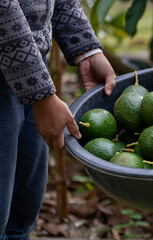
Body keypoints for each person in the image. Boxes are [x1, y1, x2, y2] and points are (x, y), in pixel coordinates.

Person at [0, 1, 116, 239]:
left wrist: (85, 48)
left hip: (30, 62)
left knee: (22, 211)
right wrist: (40, 94)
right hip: (19, 68)